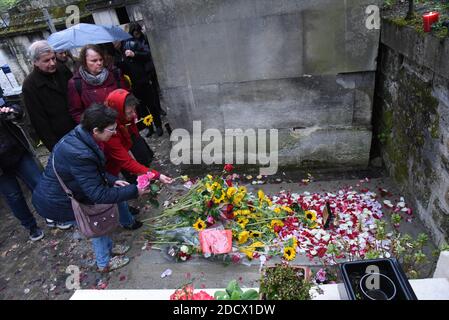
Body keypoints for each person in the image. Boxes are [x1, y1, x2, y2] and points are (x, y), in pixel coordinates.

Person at [32, 104, 172, 272]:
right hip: (58, 201)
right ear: (96, 130)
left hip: (69, 192)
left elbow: (93, 172)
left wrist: (112, 180)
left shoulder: (82, 136)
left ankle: (109, 249)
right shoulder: (80, 152)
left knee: (99, 220)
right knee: (95, 224)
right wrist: (135, 190)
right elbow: (97, 194)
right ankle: (104, 263)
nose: (114, 133)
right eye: (111, 130)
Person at [0, 87, 44, 241]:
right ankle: (31, 226)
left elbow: (13, 107)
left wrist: (14, 112)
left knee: (39, 183)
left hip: (17, 151)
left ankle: (51, 214)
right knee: (14, 196)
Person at [22, 40, 76, 152]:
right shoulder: (30, 85)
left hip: (79, 125)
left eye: (53, 58)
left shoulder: (62, 69)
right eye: (46, 60)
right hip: (62, 138)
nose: (52, 63)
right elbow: (39, 121)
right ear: (35, 62)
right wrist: (55, 148)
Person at [104, 89, 164, 183]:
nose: (134, 115)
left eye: (134, 110)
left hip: (129, 138)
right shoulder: (109, 132)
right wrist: (157, 175)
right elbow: (125, 161)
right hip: (117, 158)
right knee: (132, 174)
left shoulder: (124, 117)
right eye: (129, 112)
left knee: (143, 158)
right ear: (118, 111)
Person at [67, 44, 128, 124]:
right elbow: (76, 112)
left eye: (101, 59)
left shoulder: (114, 73)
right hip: (100, 130)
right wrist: (92, 126)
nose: (99, 63)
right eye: (94, 60)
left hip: (121, 123)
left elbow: (126, 97)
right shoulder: (76, 83)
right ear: (84, 62)